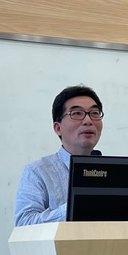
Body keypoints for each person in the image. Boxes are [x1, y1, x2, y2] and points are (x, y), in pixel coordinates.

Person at [14, 85, 103, 226]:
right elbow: (25, 223)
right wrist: (75, 206)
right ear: (58, 128)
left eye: (95, 113)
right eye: (77, 113)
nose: (88, 120)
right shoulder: (37, 171)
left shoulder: (113, 173)